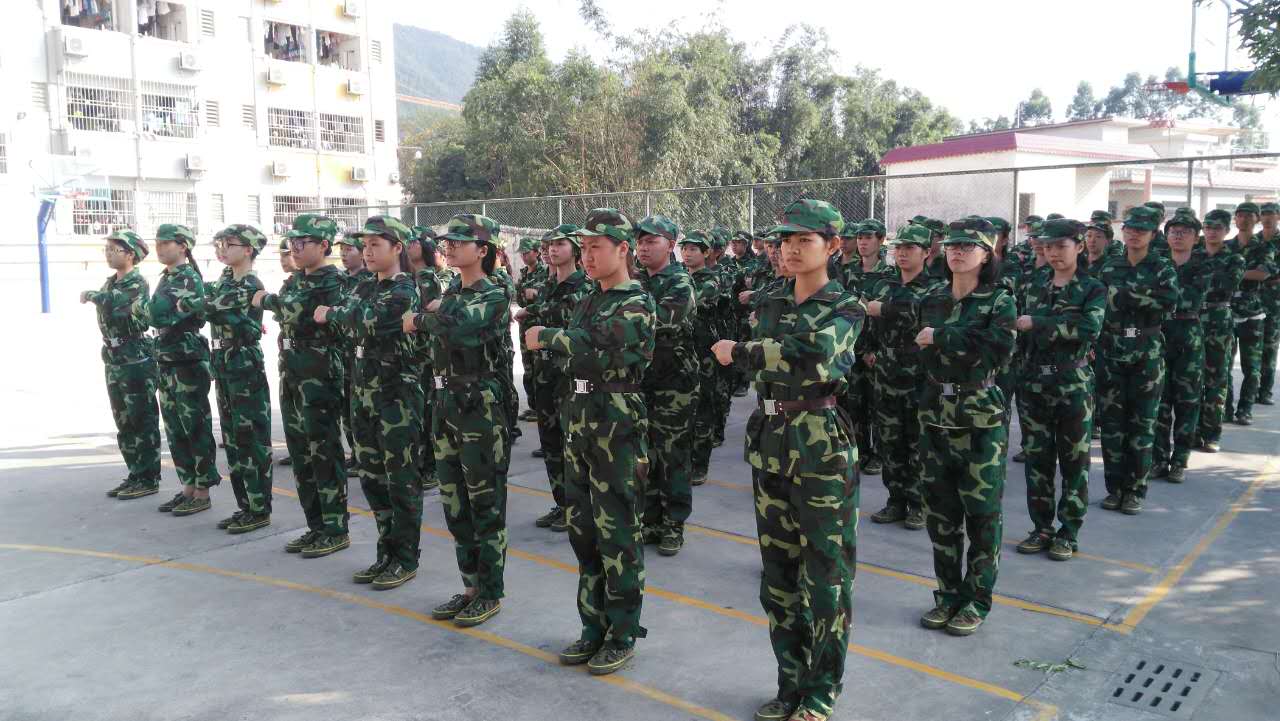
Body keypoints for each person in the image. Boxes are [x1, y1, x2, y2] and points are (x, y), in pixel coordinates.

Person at [711, 199, 861, 721]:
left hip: (820, 446)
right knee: (778, 577)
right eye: (786, 240)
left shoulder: (846, 307)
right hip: (770, 439)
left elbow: (813, 352)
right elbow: (773, 349)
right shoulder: (772, 300)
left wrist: (744, 351)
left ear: (833, 246)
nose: (791, 249)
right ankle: (790, 682)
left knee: (826, 576)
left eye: (805, 240)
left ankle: (821, 691)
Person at [526, 208, 655, 676]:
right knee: (584, 533)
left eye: (595, 247)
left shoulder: (636, 299)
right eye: (583, 248)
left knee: (618, 532)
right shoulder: (588, 298)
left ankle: (622, 632)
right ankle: (592, 626)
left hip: (616, 424)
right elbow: (580, 345)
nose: (587, 255)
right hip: (580, 420)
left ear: (623, 249)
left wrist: (552, 337)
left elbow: (602, 341)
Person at [408, 214, 512, 627]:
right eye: (447, 242)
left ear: (482, 250)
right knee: (454, 503)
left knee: (485, 503)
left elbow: (459, 328)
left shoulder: (494, 293)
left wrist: (422, 318)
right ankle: (469, 585)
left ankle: (490, 590)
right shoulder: (452, 290)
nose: (449, 247)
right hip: (445, 402)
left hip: (479, 405)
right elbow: (442, 317)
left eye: (460, 242)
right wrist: (433, 310)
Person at [916, 217, 1016, 637]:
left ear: (985, 255)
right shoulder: (932, 297)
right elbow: (917, 348)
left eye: (967, 247)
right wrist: (949, 343)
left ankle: (977, 600)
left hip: (980, 418)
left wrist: (943, 338)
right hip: (935, 412)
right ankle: (947, 595)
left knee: (981, 515)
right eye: (952, 246)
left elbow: (997, 350)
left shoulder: (999, 301)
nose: (957, 252)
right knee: (940, 516)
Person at [318, 216, 423, 590]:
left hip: (396, 397)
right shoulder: (364, 286)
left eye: (376, 245)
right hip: (363, 394)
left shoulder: (405, 290)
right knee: (373, 479)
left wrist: (336, 314)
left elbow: (365, 321)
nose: (368, 251)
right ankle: (386, 553)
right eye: (365, 245)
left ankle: (405, 557)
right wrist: (341, 316)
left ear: (398, 248)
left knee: (400, 481)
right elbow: (348, 319)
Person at [253, 214, 351, 558]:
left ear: (324, 246)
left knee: (323, 451)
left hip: (319, 370)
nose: (294, 248)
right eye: (292, 242)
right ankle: (316, 526)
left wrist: (269, 301)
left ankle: (336, 527)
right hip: (293, 368)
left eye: (302, 243)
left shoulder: (333, 281)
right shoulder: (296, 280)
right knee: (300, 451)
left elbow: (294, 313)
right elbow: (292, 311)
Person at [1012, 219, 1105, 562]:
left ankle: (1068, 531)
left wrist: (1039, 324)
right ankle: (1041, 527)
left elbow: (1089, 328)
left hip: (1072, 385)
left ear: (1079, 246)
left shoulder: (1092, 288)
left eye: (1061, 246)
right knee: (1037, 460)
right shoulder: (1034, 283)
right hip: (1034, 383)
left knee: (1074, 461)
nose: (1053, 253)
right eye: (1047, 247)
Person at [1096, 206, 1178, 515]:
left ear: (1152, 235)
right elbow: (1097, 299)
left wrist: (1125, 295)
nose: (1133, 234)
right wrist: (1140, 295)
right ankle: (1114, 488)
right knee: (1113, 423)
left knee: (1142, 423)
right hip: (1112, 347)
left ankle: (1134, 490)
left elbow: (1169, 301)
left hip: (1146, 348)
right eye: (1129, 229)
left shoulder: (1162, 266)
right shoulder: (1110, 265)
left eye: (1140, 231)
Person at [865, 224, 937, 530]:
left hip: (919, 378)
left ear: (927, 252)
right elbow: (870, 318)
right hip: (887, 373)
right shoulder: (885, 284)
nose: (903, 253)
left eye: (911, 248)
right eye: (900, 248)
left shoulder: (934, 288)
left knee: (917, 443)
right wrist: (869, 347)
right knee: (889, 440)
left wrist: (885, 310)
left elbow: (922, 316)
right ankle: (895, 500)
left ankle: (919, 504)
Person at [517, 223, 588, 532]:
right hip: (544, 371)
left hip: (567, 375)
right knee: (549, 441)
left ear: (575, 250)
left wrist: (536, 311)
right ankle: (562, 503)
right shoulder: (549, 285)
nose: (552, 249)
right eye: (549, 245)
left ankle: (578, 507)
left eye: (560, 244)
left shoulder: (583, 285)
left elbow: (565, 321)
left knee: (572, 443)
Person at [83, 230, 162, 500]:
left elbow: (118, 305)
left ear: (130, 254)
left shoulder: (136, 282)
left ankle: (149, 477)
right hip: (115, 356)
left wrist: (94, 295)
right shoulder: (110, 281)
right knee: (124, 420)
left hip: (135, 356)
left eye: (114, 249)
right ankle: (136, 473)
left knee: (142, 417)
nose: (108, 254)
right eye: (107, 249)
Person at [149, 224, 222, 516]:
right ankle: (188, 486)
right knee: (175, 428)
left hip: (186, 360)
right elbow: (155, 313)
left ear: (182, 246)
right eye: (158, 242)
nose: (159, 247)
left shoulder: (188, 277)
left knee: (195, 426)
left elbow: (157, 313)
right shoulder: (167, 277)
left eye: (165, 242)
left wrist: (145, 309)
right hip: (167, 359)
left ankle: (202, 490)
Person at [636, 215, 698, 556]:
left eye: (651, 241)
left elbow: (657, 321)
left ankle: (674, 524)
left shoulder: (680, 283)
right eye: (641, 242)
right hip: (643, 380)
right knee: (646, 453)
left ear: (671, 245)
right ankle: (651, 520)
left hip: (675, 382)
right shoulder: (637, 280)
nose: (643, 248)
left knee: (673, 454)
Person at [206, 224, 274, 533]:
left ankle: (259, 508)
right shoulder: (224, 280)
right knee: (232, 438)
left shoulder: (249, 283)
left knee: (251, 439)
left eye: (228, 244)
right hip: (223, 362)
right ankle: (245, 505)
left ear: (248, 249)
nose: (221, 249)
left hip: (242, 363)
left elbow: (209, 307)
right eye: (218, 244)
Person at [1152, 211, 1210, 484]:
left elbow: (1188, 299)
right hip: (1161, 334)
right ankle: (1160, 459)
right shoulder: (1157, 264)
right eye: (1173, 230)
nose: (1178, 235)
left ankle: (1180, 460)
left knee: (1187, 401)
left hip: (1188, 335)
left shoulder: (1204, 266)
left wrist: (1159, 297)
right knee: (1160, 400)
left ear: (1196, 238)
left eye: (1185, 231)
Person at [837, 220, 888, 477]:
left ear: (880, 240)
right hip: (852, 349)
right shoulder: (849, 271)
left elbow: (888, 317)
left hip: (875, 353)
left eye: (868, 237)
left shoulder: (889, 273)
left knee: (878, 405)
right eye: (860, 237)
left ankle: (879, 455)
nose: (862, 242)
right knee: (854, 404)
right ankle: (862, 452)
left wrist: (876, 349)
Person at [1196, 210, 1246, 453]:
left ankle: (1211, 434)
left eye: (1217, 228)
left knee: (1216, 380)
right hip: (1192, 321)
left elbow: (1227, 285)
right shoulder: (1193, 255)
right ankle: (1193, 432)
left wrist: (1200, 281)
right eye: (1208, 227)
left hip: (1218, 321)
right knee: (1191, 380)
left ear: (1227, 231)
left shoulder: (1234, 259)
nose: (1212, 231)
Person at [1225, 202, 1276, 426]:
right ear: (1235, 219)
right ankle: (1225, 408)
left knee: (1252, 367)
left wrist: (1231, 273)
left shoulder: (1266, 248)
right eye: (1240, 215)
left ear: (1256, 220)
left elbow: (1262, 274)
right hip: (1226, 314)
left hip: (1253, 314)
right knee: (1222, 366)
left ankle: (1245, 409)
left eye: (1249, 216)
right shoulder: (1226, 246)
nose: (1244, 219)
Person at [681, 229, 721, 486]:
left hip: (704, 351)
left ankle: (700, 464)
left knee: (703, 407)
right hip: (684, 350)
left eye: (694, 249)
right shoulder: (680, 277)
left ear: (706, 253)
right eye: (684, 249)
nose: (687, 253)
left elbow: (689, 302)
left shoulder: (711, 279)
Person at [407, 227, 445, 491]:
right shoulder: (409, 276)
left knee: (428, 410)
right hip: (412, 353)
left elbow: (432, 317)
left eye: (415, 241)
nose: (410, 245)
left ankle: (430, 467)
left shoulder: (428, 277)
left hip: (426, 353)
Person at [335, 232, 374, 473]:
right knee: (347, 407)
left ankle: (364, 455)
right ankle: (355, 453)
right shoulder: (341, 280)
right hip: (343, 351)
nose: (344, 254)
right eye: (342, 250)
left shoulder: (369, 281)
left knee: (360, 407)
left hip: (361, 352)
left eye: (349, 250)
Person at [514, 236, 547, 423]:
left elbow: (544, 298)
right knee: (527, 366)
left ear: (536, 252)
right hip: (524, 326)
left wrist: (535, 295)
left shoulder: (544, 272)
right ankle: (533, 405)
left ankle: (540, 408)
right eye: (522, 253)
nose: (524, 256)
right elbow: (519, 299)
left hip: (537, 324)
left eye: (527, 253)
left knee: (537, 368)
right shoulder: (525, 272)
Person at [276, 237, 297, 467]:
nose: (283, 260)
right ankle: (297, 449)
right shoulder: (288, 284)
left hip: (307, 359)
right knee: (289, 408)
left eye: (286, 254)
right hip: (288, 354)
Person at [1257, 202, 1280, 404]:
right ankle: (1250, 389)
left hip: (1275, 302)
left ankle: (1265, 391)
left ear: (1278, 216)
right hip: (1251, 300)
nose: (1266, 217)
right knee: (1249, 348)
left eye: (1271, 213)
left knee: (1270, 347)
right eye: (1263, 213)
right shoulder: (1254, 241)